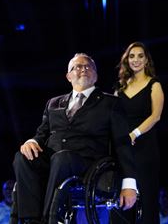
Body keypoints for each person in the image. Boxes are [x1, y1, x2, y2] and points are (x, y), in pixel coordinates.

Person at [13, 53, 138, 224]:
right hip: (54, 159)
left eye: (88, 66)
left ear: (96, 75)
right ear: (68, 76)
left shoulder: (110, 103)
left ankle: (49, 219)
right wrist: (31, 142)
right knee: (22, 157)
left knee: (62, 158)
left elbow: (123, 144)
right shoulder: (53, 103)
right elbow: (42, 134)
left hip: (87, 163)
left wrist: (129, 185)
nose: (83, 69)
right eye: (77, 67)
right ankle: (30, 219)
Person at [115, 42, 164, 224]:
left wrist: (135, 134)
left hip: (144, 148)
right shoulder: (120, 89)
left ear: (146, 60)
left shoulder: (154, 84)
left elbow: (156, 116)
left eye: (140, 56)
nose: (136, 60)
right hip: (123, 149)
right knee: (121, 201)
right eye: (132, 56)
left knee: (146, 199)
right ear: (127, 60)